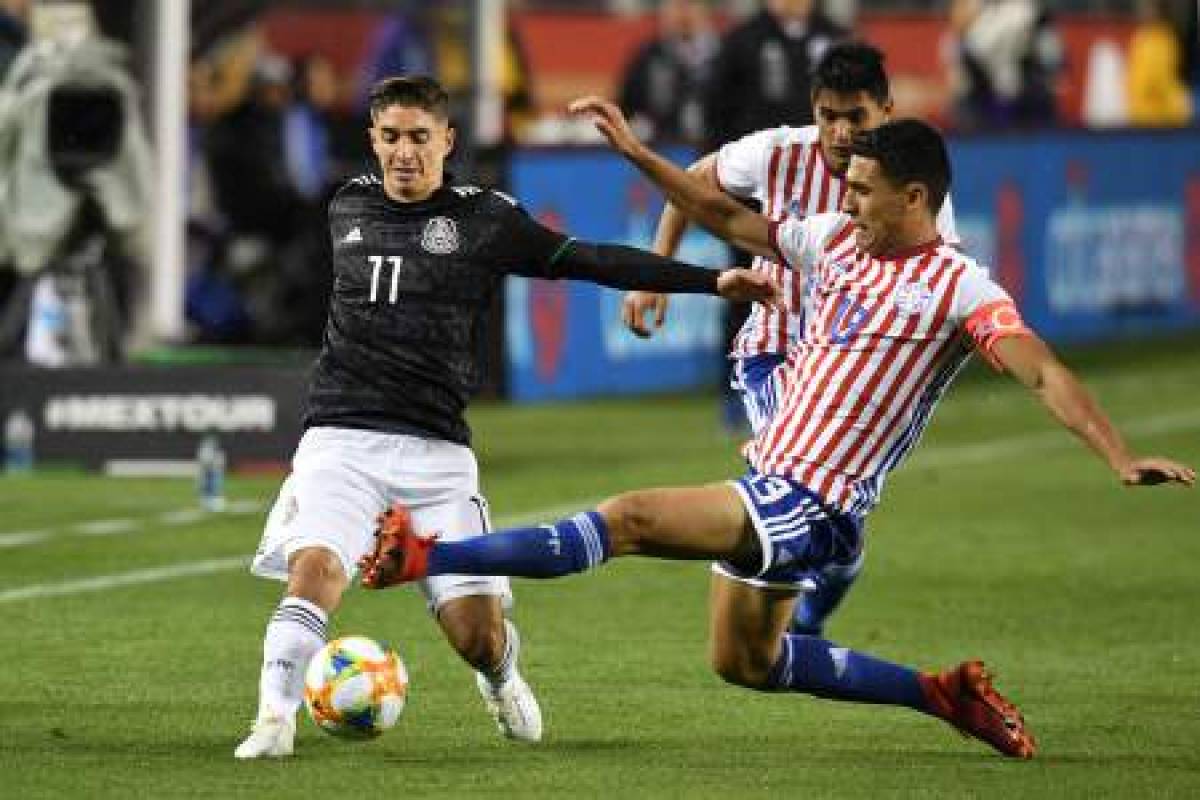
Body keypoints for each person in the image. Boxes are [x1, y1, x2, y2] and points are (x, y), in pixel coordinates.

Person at [357, 105, 1196, 760]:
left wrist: (1118, 454)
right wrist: (639, 156)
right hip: (773, 483)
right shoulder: (836, 241)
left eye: (863, 189)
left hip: (817, 502)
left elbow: (1042, 369)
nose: (847, 199)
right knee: (744, 664)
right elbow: (726, 214)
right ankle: (942, 695)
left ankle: (427, 557)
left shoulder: (960, 289)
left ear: (914, 198)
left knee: (631, 519)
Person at [233, 75, 776, 760]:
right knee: (315, 570)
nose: (405, 153)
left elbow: (589, 259)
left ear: (447, 140)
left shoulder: (484, 219)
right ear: (373, 141)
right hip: (340, 439)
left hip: (437, 456)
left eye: (419, 138)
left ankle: (501, 676)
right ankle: (273, 721)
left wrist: (710, 281)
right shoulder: (345, 205)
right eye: (391, 138)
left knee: (475, 635)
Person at [625, 40, 958, 640]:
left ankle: (816, 578)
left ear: (886, 110)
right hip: (774, 354)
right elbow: (696, 183)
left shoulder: (911, 186)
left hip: (846, 371)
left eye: (854, 117)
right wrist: (657, 273)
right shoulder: (776, 152)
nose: (837, 132)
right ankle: (766, 622)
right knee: (788, 479)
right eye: (826, 115)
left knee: (821, 503)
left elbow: (934, 286)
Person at [618, 0, 719, 146]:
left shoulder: (725, 54)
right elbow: (626, 104)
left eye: (691, 5)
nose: (684, 13)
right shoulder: (648, 56)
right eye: (677, 6)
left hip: (712, 150)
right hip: (659, 148)